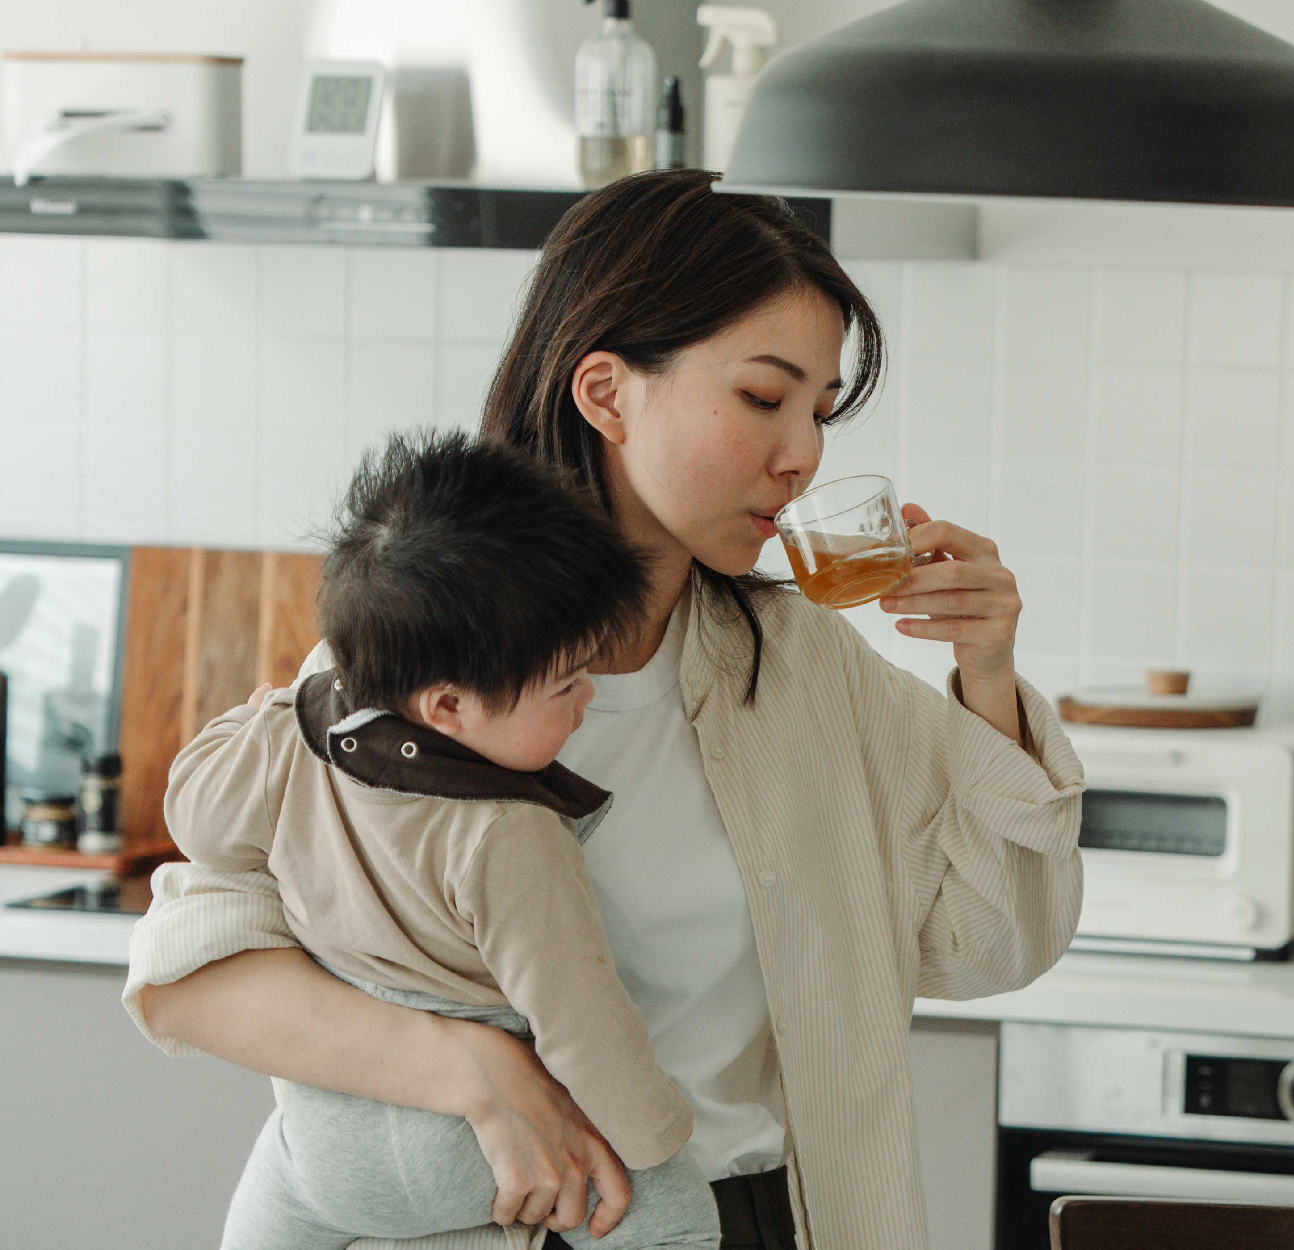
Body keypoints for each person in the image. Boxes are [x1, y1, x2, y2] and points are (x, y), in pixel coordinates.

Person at [124, 167, 1085, 1250]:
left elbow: (988, 946)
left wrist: (987, 671)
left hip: (753, 1219)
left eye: (819, 409)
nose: (804, 453)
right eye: (763, 398)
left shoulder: (806, 664)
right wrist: (479, 1070)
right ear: (606, 391)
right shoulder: (437, 654)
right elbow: (187, 972)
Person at [166, 431, 720, 1249]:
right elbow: (580, 1017)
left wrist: (268, 712)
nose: (586, 696)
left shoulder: (295, 737)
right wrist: (649, 1142)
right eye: (566, 683)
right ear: (450, 708)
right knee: (678, 1224)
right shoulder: (509, 831)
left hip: (324, 1145)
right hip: (474, 1154)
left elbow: (199, 823)